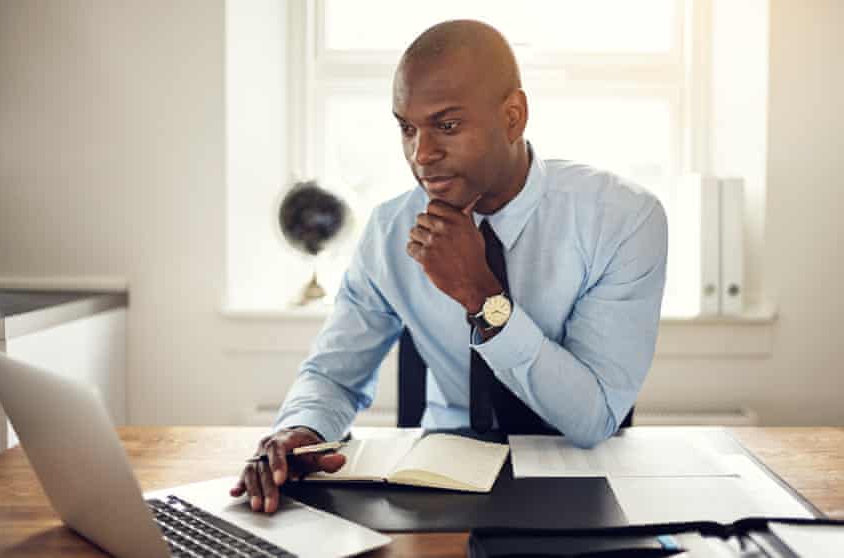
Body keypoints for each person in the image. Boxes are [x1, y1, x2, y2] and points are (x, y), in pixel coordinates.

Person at [231, 19, 668, 514]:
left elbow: (593, 419)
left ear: (513, 117)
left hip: (583, 480)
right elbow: (335, 376)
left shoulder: (623, 219)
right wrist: (301, 432)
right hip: (437, 482)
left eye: (446, 125)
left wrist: (483, 300)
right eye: (407, 128)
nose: (422, 155)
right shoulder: (389, 230)